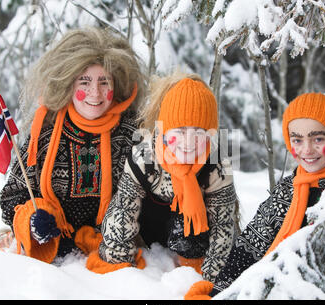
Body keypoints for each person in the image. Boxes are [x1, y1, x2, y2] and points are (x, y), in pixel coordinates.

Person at [0, 27, 146, 264]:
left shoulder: (133, 132)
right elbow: (11, 197)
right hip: (53, 255)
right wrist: (33, 219)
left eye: (104, 82)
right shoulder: (44, 133)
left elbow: (154, 190)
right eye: (85, 82)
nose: (95, 93)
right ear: (68, 85)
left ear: (116, 85)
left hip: (113, 252)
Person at [185, 92, 325, 299]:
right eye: (297, 140)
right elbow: (253, 242)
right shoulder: (288, 189)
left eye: (318, 138)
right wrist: (221, 292)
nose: (307, 150)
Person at [86, 71, 240, 282]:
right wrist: (118, 263)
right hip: (149, 233)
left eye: (198, 132)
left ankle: (192, 261)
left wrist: (214, 280)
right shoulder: (145, 155)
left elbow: (223, 225)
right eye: (181, 131)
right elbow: (123, 209)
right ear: (165, 130)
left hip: (196, 240)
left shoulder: (217, 163)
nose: (188, 142)